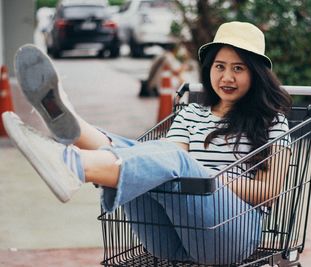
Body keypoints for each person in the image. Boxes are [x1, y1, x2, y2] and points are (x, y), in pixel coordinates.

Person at [2, 21, 292, 265]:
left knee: (175, 162)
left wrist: (210, 178)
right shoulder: (191, 113)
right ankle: (75, 131)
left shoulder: (271, 122)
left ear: (256, 74)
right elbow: (164, 161)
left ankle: (76, 159)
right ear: (209, 69)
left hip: (232, 235)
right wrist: (190, 172)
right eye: (220, 66)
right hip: (171, 238)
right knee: (157, 158)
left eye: (239, 69)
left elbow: (270, 192)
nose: (227, 77)